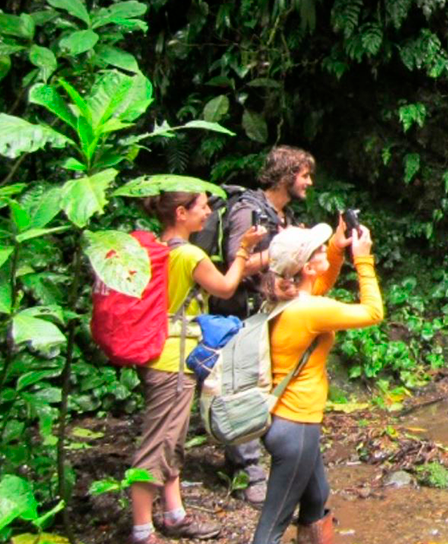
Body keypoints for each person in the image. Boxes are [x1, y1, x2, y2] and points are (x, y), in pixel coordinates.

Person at [129, 191, 264, 544]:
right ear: (181, 212)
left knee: (172, 439)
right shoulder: (189, 254)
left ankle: (174, 514)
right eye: (202, 206)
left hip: (160, 353)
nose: (208, 212)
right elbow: (225, 286)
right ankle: (142, 531)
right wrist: (244, 250)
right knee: (157, 444)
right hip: (173, 360)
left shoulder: (155, 249)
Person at [250, 220, 383, 544]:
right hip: (296, 427)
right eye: (319, 249)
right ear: (307, 267)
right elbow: (373, 312)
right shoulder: (309, 311)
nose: (325, 248)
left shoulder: (286, 299)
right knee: (270, 528)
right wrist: (363, 259)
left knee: (316, 495)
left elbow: (318, 286)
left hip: (287, 422)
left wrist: (336, 248)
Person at [206, 145, 315, 506]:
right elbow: (234, 264)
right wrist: (283, 250)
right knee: (241, 390)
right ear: (286, 176)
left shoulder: (281, 214)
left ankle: (245, 461)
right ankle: (248, 473)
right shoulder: (248, 211)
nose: (309, 183)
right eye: (304, 175)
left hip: (266, 311)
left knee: (260, 387)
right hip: (238, 315)